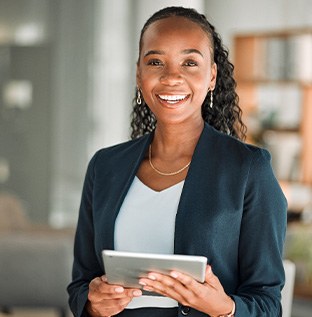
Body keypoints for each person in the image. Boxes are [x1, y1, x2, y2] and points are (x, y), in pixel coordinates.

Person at [67, 6, 287, 317]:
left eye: (190, 62)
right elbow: (81, 284)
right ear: (139, 73)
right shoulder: (105, 167)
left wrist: (224, 308)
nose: (172, 77)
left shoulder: (248, 169)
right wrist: (93, 304)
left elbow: (267, 304)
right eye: (155, 62)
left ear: (211, 76)